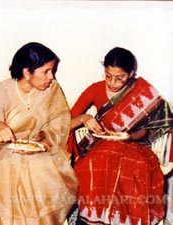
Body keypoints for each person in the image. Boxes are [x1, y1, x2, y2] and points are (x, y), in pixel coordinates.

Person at [0, 42, 79, 225]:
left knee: (44, 166)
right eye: (45, 71)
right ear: (26, 72)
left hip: (38, 145)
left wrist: (43, 145)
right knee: (13, 166)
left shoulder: (51, 90)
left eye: (52, 70)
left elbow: (58, 127)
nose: (51, 77)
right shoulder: (1, 92)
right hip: (1, 149)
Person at [68, 47, 173, 225]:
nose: (113, 82)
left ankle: (123, 220)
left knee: (136, 170)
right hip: (101, 146)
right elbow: (67, 123)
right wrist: (85, 118)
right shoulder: (95, 89)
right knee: (98, 164)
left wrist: (131, 136)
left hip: (134, 146)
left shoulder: (142, 91)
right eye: (108, 76)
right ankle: (92, 218)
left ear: (131, 74)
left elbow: (149, 130)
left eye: (120, 77)